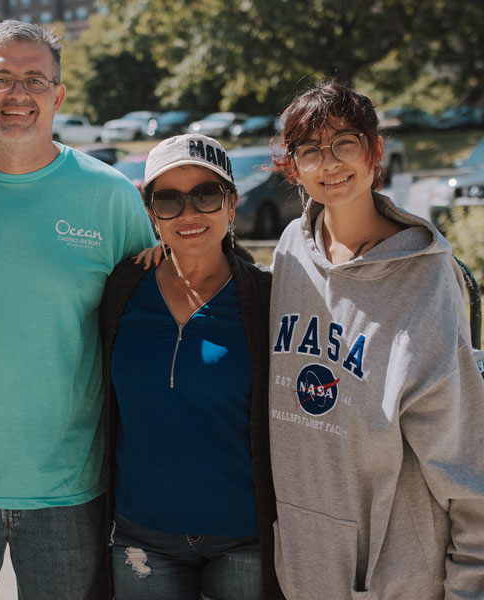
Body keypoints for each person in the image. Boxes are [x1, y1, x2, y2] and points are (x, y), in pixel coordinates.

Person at [0, 19, 155, 600]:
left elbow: (152, 314)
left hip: (69, 486)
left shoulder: (110, 196)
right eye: (1, 80)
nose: (18, 95)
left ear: (58, 95)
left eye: (35, 80)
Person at [268, 80, 484, 599]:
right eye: (311, 149)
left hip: (397, 575)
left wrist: (470, 584)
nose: (330, 163)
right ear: (293, 166)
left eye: (345, 142)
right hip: (302, 564)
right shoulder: (291, 252)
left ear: (375, 150)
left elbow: (461, 449)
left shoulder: (426, 277)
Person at [99, 134, 283, 599]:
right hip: (142, 537)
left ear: (232, 204)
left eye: (206, 195)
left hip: (244, 538)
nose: (188, 213)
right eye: (169, 200)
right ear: (151, 212)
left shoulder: (267, 297)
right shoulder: (123, 287)